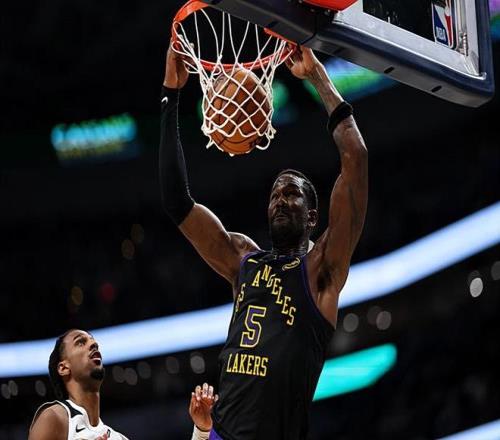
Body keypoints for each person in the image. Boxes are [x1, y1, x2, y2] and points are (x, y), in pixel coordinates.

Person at [160, 40, 368, 439]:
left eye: (291, 194)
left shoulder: (322, 269)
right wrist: (171, 93)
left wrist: (317, 76)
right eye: (275, 195)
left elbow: (355, 158)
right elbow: (176, 202)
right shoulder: (243, 259)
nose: (280, 200)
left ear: (312, 217)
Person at [29, 329, 218, 440]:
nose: (93, 345)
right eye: (81, 343)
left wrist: (201, 430)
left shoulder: (117, 437)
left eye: (94, 343)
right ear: (63, 368)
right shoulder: (55, 417)